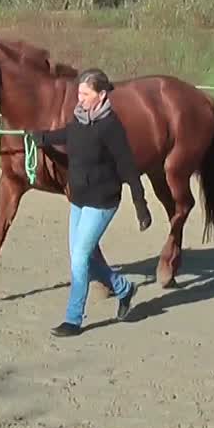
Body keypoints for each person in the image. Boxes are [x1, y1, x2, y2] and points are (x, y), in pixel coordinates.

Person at [30, 68, 152, 337]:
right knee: (79, 257)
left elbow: (127, 164)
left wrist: (140, 201)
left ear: (101, 95)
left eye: (85, 94)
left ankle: (73, 319)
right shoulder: (80, 119)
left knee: (80, 259)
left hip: (102, 201)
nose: (80, 99)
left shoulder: (111, 126)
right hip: (80, 199)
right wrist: (42, 137)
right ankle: (124, 289)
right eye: (78, 93)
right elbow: (67, 135)